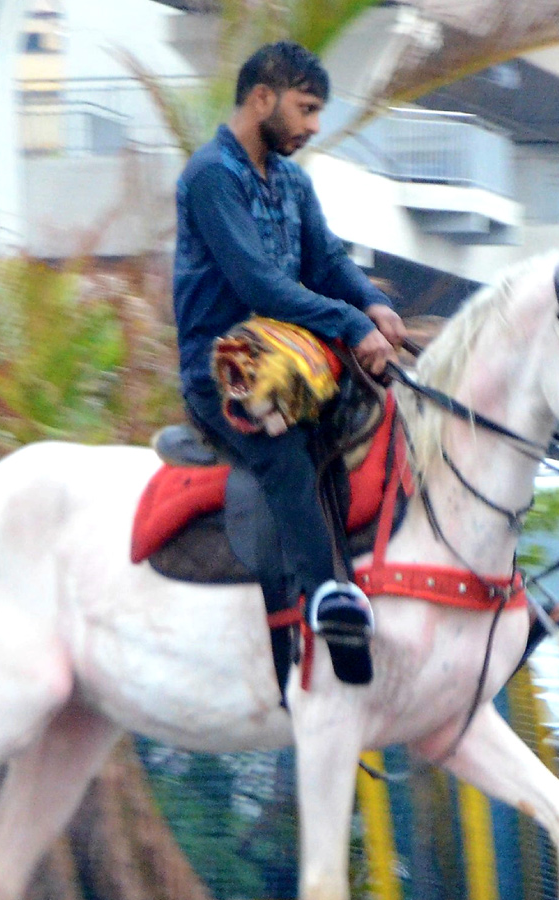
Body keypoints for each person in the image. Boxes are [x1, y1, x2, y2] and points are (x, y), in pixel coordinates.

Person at [172, 41, 405, 672]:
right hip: (227, 373)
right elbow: (258, 286)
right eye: (305, 109)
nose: (312, 126)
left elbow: (327, 262)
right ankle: (323, 593)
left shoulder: (293, 180)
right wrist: (352, 323)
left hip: (300, 358)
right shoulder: (212, 177)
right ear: (261, 98)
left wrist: (371, 306)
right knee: (284, 449)